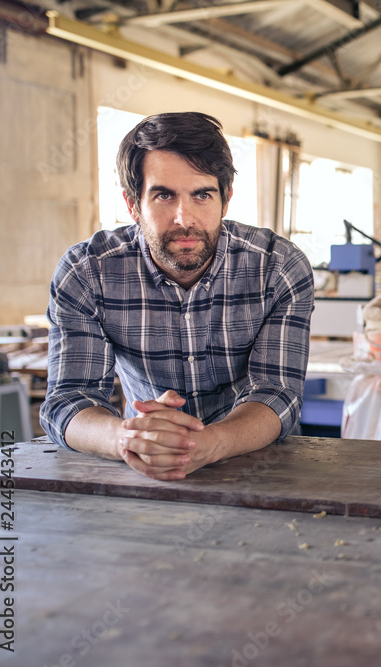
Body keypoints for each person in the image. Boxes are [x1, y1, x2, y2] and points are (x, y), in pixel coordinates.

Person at [40, 112, 314, 481]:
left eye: (202, 194)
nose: (184, 218)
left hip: (259, 465)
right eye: (164, 195)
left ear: (226, 199)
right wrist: (126, 437)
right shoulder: (88, 272)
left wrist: (211, 441)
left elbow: (278, 392)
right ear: (133, 204)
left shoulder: (278, 267)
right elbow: (69, 399)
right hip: (144, 462)